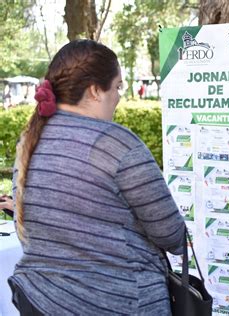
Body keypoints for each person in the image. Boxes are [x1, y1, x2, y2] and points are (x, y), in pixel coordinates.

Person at [9, 39, 185, 315]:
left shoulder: (31, 139)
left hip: (41, 299)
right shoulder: (115, 143)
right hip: (118, 301)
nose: (118, 96)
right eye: (117, 86)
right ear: (94, 90)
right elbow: (172, 235)